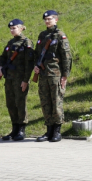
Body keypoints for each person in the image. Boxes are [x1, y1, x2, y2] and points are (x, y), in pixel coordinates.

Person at [33, 10, 72, 142]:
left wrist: (65, 75)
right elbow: (36, 54)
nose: (47, 21)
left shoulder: (60, 35)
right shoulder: (42, 35)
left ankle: (57, 130)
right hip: (43, 74)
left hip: (55, 73)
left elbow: (66, 56)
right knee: (45, 102)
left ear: (56, 20)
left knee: (56, 101)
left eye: (50, 19)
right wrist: (36, 66)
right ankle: (48, 130)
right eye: (46, 19)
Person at [0, 19, 35, 141]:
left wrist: (26, 80)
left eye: (14, 28)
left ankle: (21, 129)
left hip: (20, 78)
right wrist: (0, 67)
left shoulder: (26, 42)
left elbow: (29, 64)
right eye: (11, 28)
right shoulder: (10, 43)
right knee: (11, 103)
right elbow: (3, 57)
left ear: (21, 28)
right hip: (9, 78)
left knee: (20, 103)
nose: (12, 30)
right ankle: (14, 128)